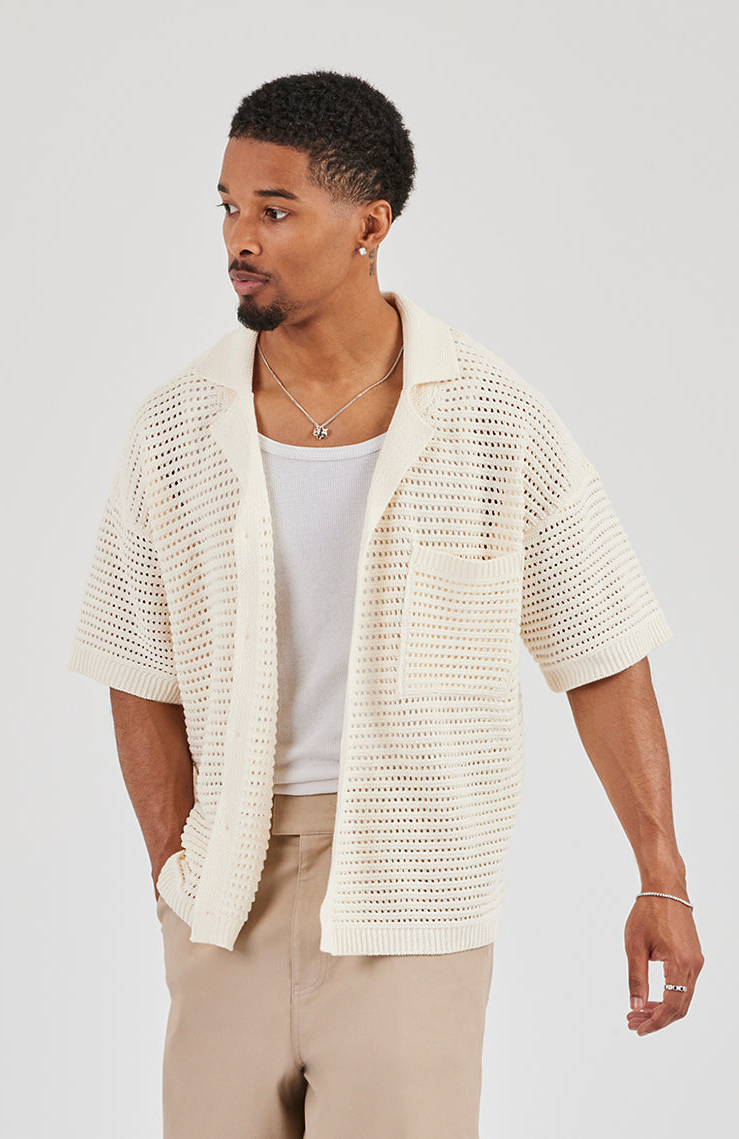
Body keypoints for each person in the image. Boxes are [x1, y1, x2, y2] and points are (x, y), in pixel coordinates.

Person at [68, 71, 703, 1139]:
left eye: (276, 210)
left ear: (371, 225)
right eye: (229, 206)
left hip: (414, 902)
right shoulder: (175, 428)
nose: (240, 238)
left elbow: (601, 651)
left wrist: (663, 877)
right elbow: (138, 666)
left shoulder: (495, 420)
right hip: (225, 899)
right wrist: (174, 871)